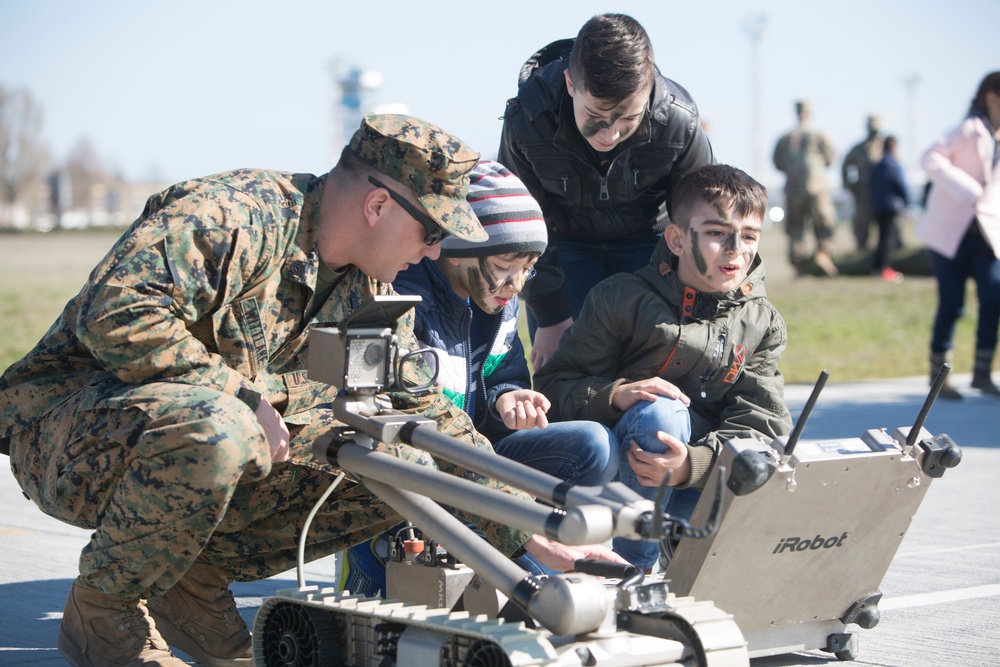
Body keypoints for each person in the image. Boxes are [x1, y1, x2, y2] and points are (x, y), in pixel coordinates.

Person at [0, 113, 620, 667]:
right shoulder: (234, 216)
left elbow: (422, 409)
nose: (436, 251)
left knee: (401, 462)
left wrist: (522, 525)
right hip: (68, 430)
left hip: (200, 439)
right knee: (222, 427)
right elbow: (116, 312)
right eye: (431, 231)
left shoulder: (370, 286)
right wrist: (244, 398)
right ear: (378, 206)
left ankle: (190, 581)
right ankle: (103, 611)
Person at [341, 160, 621, 596]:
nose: (516, 283)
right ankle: (374, 556)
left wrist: (506, 398)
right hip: (419, 469)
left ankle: (511, 550)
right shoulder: (401, 297)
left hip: (478, 458)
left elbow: (502, 373)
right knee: (543, 588)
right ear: (456, 245)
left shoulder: (498, 299)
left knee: (592, 444)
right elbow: (397, 429)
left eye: (528, 267)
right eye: (506, 263)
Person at [534, 163, 793, 571]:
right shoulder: (621, 299)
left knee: (758, 483)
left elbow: (761, 423)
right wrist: (614, 396)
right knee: (661, 412)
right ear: (676, 239)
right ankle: (632, 566)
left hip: (698, 478)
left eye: (748, 236)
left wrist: (692, 465)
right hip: (614, 472)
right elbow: (553, 387)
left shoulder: (762, 322)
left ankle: (675, 546)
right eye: (716, 232)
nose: (735, 249)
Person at [497, 12, 714, 369]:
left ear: (648, 90)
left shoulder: (679, 121)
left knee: (654, 367)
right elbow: (522, 220)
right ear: (570, 84)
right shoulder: (528, 119)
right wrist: (550, 315)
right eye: (595, 114)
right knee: (570, 368)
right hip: (562, 247)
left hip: (649, 244)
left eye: (628, 118)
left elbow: (704, 219)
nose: (609, 134)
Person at [918, 71, 1000, 400]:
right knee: (951, 304)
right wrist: (968, 188)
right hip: (953, 233)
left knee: (993, 298)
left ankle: (982, 372)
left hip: (987, 235)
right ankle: (940, 379)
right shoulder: (969, 129)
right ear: (992, 98)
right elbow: (930, 158)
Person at [773, 99, 839, 277]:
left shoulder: (786, 138)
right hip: (817, 188)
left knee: (796, 230)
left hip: (793, 189)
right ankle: (823, 257)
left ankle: (799, 266)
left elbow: (777, 163)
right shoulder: (819, 135)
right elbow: (831, 158)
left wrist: (793, 171)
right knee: (823, 226)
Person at [842, 114, 885, 252]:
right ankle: (862, 252)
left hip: (882, 195)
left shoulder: (886, 147)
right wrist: (849, 185)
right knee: (861, 226)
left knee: (886, 229)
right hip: (863, 195)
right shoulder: (859, 149)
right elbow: (845, 165)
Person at [869, 135, 909, 283]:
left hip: (878, 207)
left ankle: (877, 268)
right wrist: (907, 202)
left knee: (881, 238)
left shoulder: (877, 166)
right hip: (890, 207)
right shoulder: (893, 164)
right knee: (888, 240)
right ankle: (885, 269)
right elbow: (901, 185)